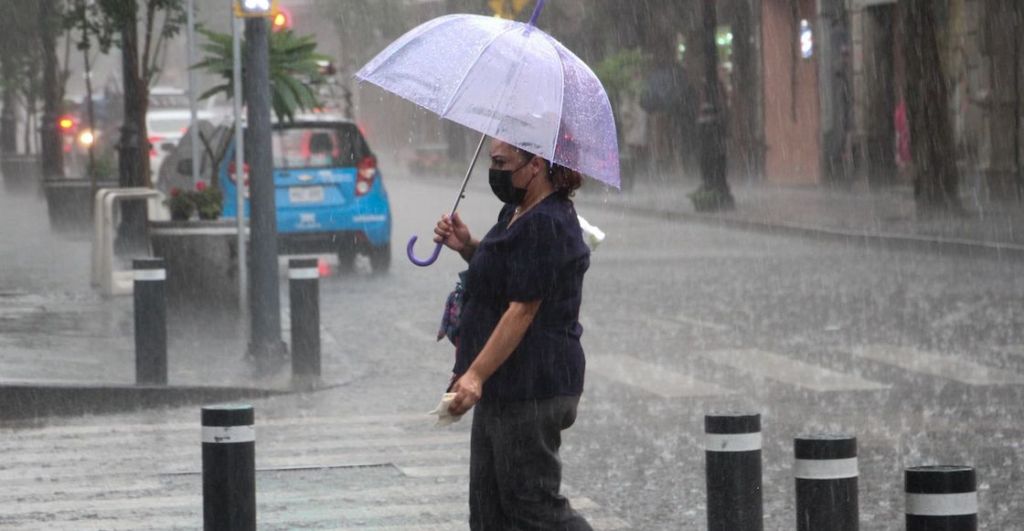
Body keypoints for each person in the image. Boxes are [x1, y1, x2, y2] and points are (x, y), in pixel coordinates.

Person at [433, 139, 593, 530]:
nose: (496, 170)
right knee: (489, 512)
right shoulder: (517, 211)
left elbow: (522, 310)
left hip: (533, 386)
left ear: (535, 164)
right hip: (504, 386)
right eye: (492, 161)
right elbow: (505, 272)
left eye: (502, 161)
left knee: (532, 507)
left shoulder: (548, 223)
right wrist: (467, 245)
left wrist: (475, 375)